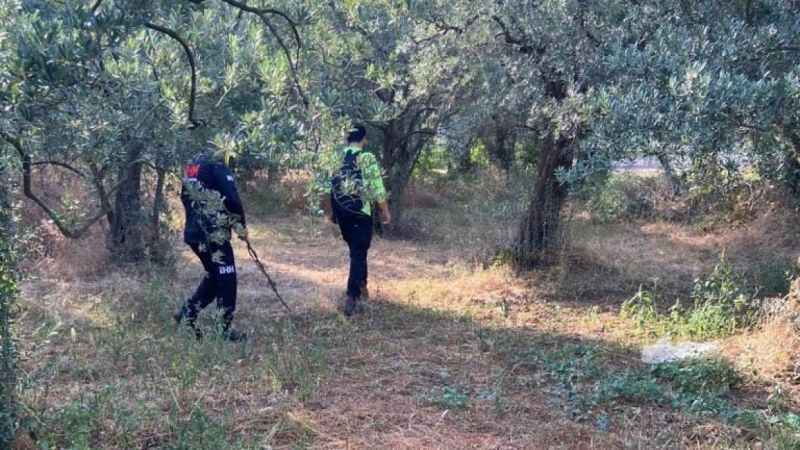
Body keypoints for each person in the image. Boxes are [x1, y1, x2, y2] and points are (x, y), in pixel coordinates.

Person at [174, 149, 248, 341]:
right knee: (227, 278)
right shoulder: (217, 166)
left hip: (193, 233)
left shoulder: (194, 164)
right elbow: (232, 200)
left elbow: (184, 196)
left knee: (214, 276)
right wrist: (241, 226)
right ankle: (222, 330)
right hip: (213, 235)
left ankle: (186, 315)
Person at [322, 125, 391, 316]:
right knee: (358, 253)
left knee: (358, 251)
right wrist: (385, 211)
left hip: (342, 213)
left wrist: (332, 213)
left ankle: (362, 288)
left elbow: (330, 188)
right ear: (363, 139)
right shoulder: (366, 158)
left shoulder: (337, 158)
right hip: (361, 212)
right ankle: (351, 298)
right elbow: (377, 187)